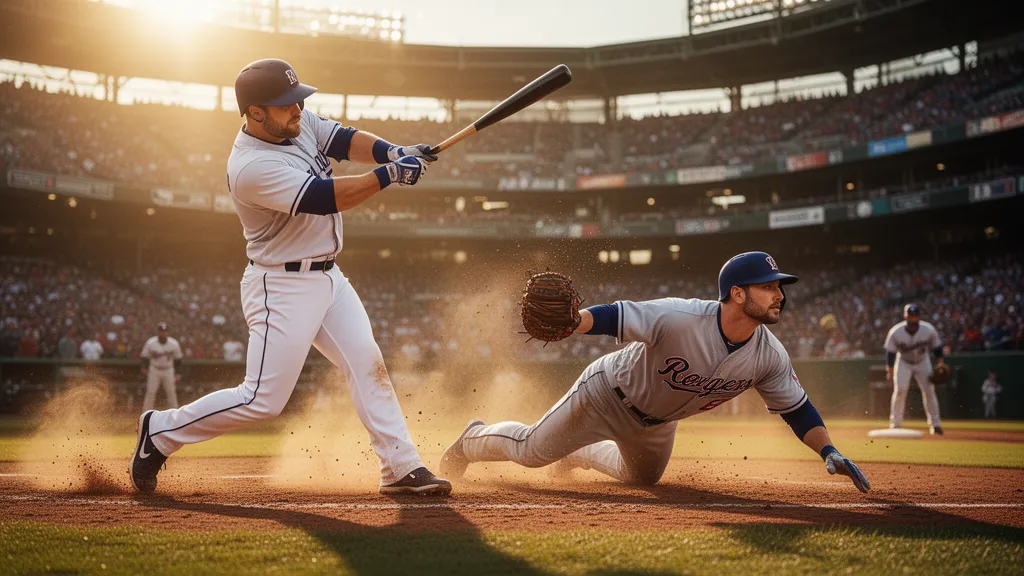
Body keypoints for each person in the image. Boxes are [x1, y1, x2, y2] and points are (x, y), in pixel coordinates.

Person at [130, 59, 450, 495]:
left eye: (298, 101)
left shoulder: (295, 124)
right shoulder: (250, 167)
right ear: (255, 112)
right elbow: (324, 198)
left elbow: (343, 139)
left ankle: (400, 466)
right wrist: (390, 174)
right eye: (284, 105)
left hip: (329, 278)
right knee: (261, 401)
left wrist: (392, 151)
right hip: (280, 286)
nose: (297, 110)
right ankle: (160, 431)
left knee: (367, 364)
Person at [440, 252, 870, 492]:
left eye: (779, 287)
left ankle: (577, 453)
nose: (779, 295)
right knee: (532, 451)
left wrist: (829, 451)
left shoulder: (768, 355)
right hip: (606, 394)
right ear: (737, 294)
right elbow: (618, 316)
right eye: (769, 286)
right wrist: (576, 323)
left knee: (640, 479)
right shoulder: (682, 316)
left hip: (658, 424)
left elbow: (797, 409)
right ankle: (472, 439)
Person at [884, 304, 945, 435]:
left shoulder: (928, 329)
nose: (912, 319)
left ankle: (935, 424)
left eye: (915, 316)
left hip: (923, 361)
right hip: (904, 361)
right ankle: (895, 424)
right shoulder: (896, 331)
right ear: (905, 316)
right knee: (900, 390)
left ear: (919, 317)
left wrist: (940, 363)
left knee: (929, 390)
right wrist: (889, 369)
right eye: (910, 316)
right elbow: (890, 353)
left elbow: (937, 348)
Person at [140, 322, 183, 412]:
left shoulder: (174, 343)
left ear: (168, 332)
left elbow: (178, 359)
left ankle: (175, 414)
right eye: (161, 331)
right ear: (158, 332)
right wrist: (144, 367)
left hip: (168, 370)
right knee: (151, 392)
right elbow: (144, 356)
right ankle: (145, 413)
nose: (163, 333)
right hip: (154, 369)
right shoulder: (151, 342)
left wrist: (178, 373)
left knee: (171, 393)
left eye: (165, 331)